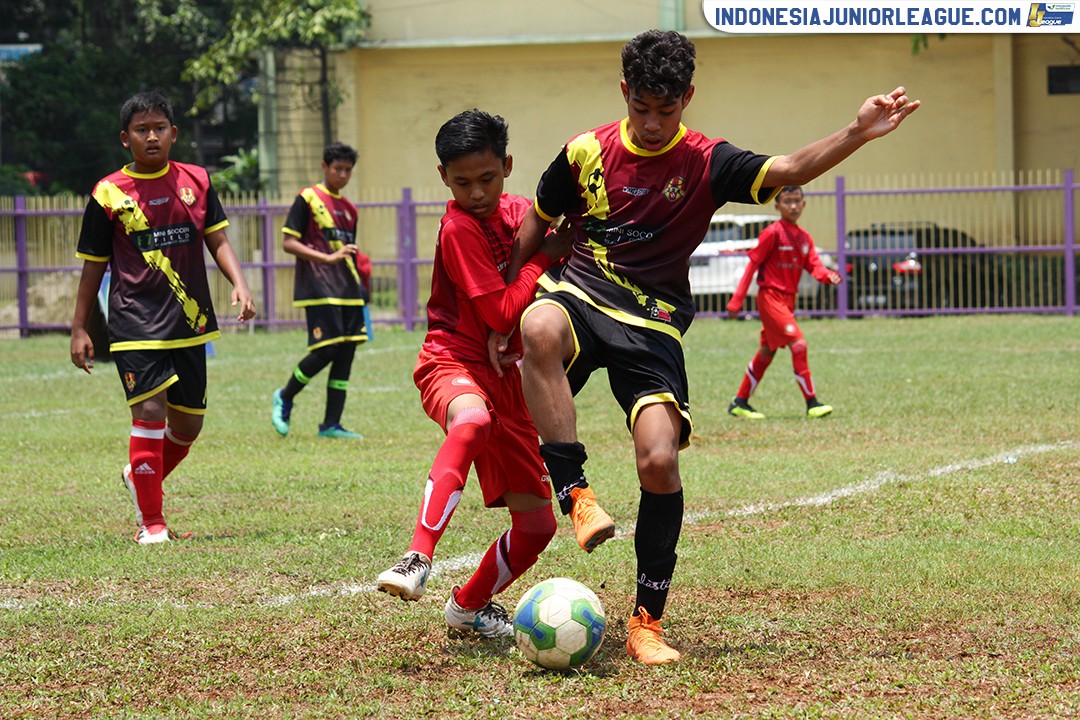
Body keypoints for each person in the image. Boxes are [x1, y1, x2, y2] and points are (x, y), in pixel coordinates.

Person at [506, 30, 919, 664]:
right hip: (582, 294)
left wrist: (857, 131)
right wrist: (502, 300)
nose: (650, 122)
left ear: (687, 99)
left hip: (653, 324)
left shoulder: (705, 161)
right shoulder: (585, 151)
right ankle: (576, 493)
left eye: (665, 111)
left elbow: (785, 170)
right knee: (538, 328)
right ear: (624, 93)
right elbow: (538, 217)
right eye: (640, 107)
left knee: (659, 462)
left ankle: (647, 621)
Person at [375, 109, 571, 638]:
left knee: (536, 526)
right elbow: (504, 313)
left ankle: (468, 605)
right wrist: (541, 261)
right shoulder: (457, 227)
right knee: (471, 423)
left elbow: (553, 255)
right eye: (462, 182)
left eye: (487, 179)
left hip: (511, 380)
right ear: (443, 178)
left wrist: (550, 253)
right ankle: (417, 557)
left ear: (507, 166)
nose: (477, 192)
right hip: (452, 361)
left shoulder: (521, 212)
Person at [69, 91, 256, 545]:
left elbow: (218, 240)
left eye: (158, 128)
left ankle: (139, 475)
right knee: (150, 412)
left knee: (188, 424)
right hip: (135, 321)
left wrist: (240, 282)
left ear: (174, 133)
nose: (151, 136)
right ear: (125, 138)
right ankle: (151, 523)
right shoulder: (108, 192)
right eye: (141, 130)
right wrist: (78, 326)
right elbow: (93, 263)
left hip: (189, 320)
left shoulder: (197, 180)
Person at [271, 141, 371, 440]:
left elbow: (348, 251)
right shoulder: (308, 198)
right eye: (337, 169)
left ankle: (331, 424)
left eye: (348, 171)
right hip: (319, 286)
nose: (342, 175)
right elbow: (289, 242)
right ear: (325, 167)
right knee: (326, 349)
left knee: (346, 353)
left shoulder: (350, 210)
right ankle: (285, 396)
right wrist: (327, 257)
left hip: (348, 288)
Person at [726, 186, 843, 420]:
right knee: (799, 345)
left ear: (804, 204)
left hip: (788, 301)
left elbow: (815, 266)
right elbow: (752, 265)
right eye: (788, 201)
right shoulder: (772, 233)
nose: (793, 206)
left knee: (767, 351)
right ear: (777, 205)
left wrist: (827, 275)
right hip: (770, 298)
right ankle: (812, 403)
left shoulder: (804, 237)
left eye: (797, 201)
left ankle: (739, 402)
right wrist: (736, 301)